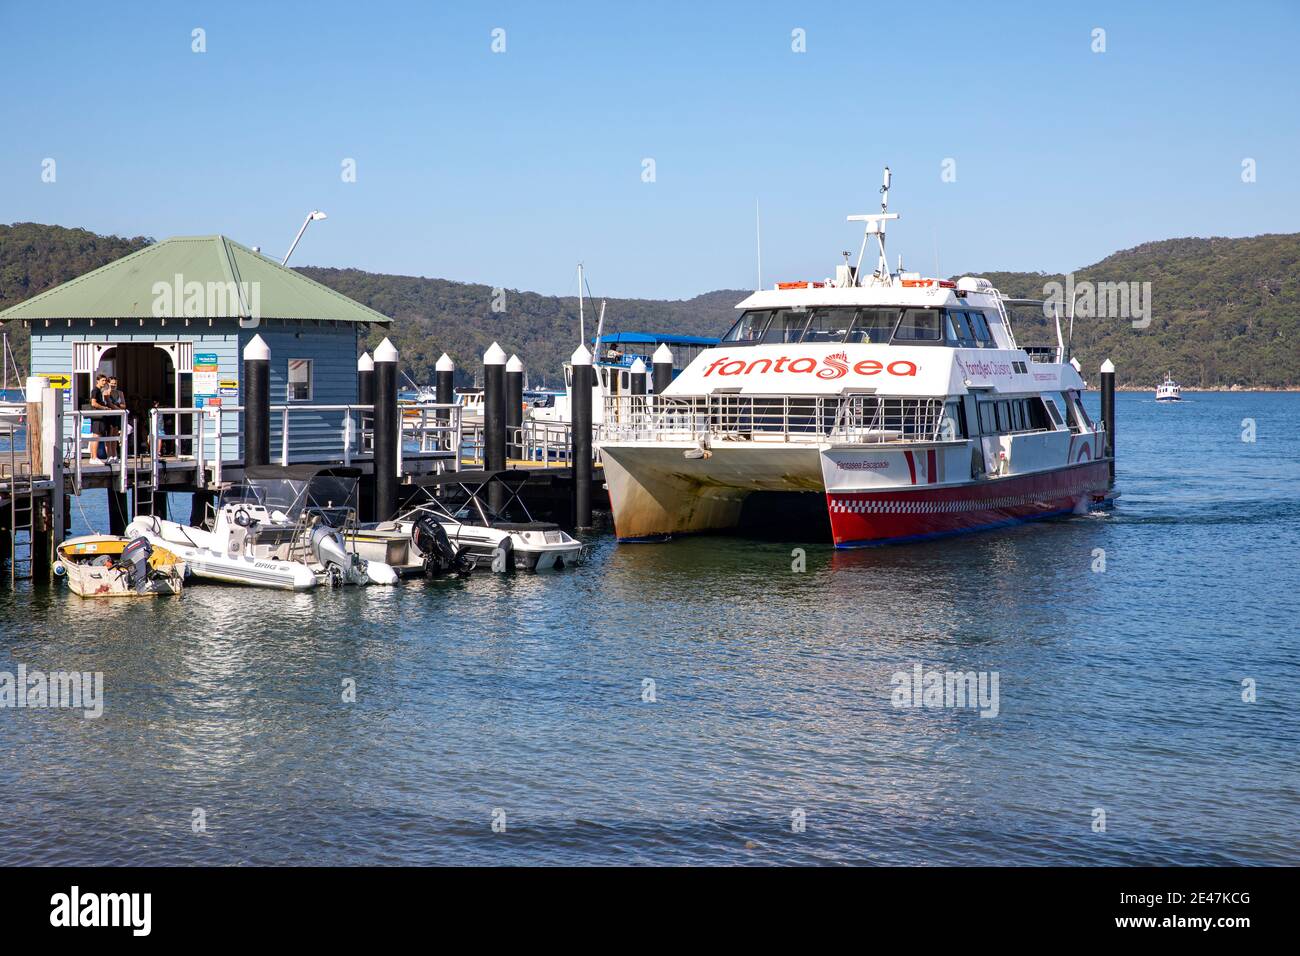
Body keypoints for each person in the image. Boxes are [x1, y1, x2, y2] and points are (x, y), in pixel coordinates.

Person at [87, 374, 110, 461]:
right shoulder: (95, 390)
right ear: (98, 381)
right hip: (97, 417)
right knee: (96, 436)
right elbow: (93, 403)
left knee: (96, 436)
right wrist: (104, 408)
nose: (104, 382)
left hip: (98, 417)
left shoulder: (99, 391)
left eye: (105, 381)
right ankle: (94, 457)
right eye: (102, 380)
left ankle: (93, 457)